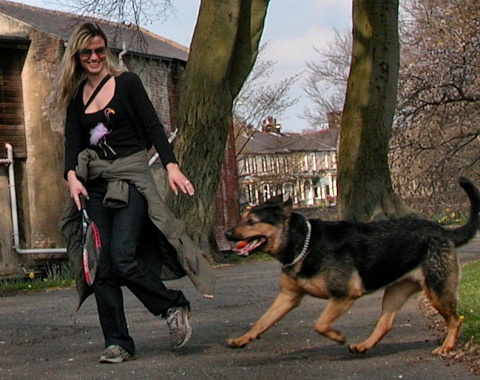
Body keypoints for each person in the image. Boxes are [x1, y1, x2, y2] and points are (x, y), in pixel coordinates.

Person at [55, 22, 215, 364]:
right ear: (77, 56)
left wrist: (171, 166)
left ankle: (172, 304)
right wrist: (71, 177)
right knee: (101, 266)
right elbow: (72, 141)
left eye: (100, 50)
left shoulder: (127, 83)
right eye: (88, 52)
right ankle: (118, 342)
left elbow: (153, 126)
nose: (95, 57)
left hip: (131, 178)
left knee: (123, 255)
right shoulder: (75, 94)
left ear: (106, 51)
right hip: (96, 183)